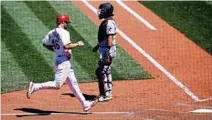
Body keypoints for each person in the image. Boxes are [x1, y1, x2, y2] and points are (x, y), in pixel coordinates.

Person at [26, 14, 97, 112]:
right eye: (67, 22)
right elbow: (67, 46)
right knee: (57, 85)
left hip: (61, 60)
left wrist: (56, 50)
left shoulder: (51, 32)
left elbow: (45, 44)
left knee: (73, 84)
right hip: (63, 62)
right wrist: (78, 44)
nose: (67, 24)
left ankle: (85, 104)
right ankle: (35, 86)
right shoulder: (64, 32)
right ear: (62, 22)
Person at [93, 3, 117, 102]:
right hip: (104, 48)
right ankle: (105, 93)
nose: (99, 12)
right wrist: (98, 46)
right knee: (104, 71)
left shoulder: (109, 23)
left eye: (102, 10)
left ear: (106, 12)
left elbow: (110, 40)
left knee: (103, 71)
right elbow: (105, 37)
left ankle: (107, 94)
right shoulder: (106, 22)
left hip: (107, 49)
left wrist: (107, 52)